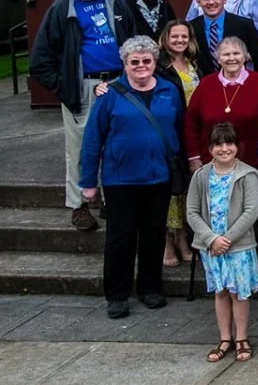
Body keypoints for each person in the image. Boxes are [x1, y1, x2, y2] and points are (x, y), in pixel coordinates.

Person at [79, 36, 183, 318]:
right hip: (120, 179)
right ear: (124, 64)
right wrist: (88, 182)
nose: (141, 66)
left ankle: (150, 288)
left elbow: (180, 130)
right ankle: (116, 295)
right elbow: (92, 140)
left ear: (154, 62)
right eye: (134, 61)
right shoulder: (109, 93)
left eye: (146, 60)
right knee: (120, 239)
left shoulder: (170, 90)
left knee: (153, 236)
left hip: (158, 177)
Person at [29, 0, 134, 232]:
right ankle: (80, 206)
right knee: (79, 149)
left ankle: (112, 200)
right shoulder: (63, 8)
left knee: (117, 146)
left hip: (118, 83)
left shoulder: (116, 3)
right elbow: (40, 59)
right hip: (82, 88)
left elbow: (133, 42)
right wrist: (64, 85)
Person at [187, 123, 258, 363]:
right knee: (220, 291)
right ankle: (225, 337)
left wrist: (227, 239)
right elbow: (192, 212)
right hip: (212, 247)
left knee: (239, 292)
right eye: (218, 144)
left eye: (229, 143)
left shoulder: (247, 174)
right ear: (210, 148)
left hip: (238, 245)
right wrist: (211, 239)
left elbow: (251, 211)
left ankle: (242, 337)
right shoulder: (201, 175)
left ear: (237, 146)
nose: (224, 148)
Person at [185, 38, 258, 170]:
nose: (232, 58)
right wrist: (194, 157)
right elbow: (191, 123)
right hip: (212, 164)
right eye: (226, 54)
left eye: (236, 53)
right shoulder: (206, 84)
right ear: (218, 59)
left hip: (253, 163)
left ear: (245, 57)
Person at [157, 21, 202, 266]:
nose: (179, 40)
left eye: (184, 36)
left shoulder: (195, 64)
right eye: (174, 36)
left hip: (191, 132)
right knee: (170, 190)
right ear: (166, 38)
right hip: (169, 131)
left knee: (185, 188)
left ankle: (183, 237)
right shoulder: (158, 66)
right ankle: (167, 242)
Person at [189, 0, 258, 84]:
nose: (211, 2)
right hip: (204, 89)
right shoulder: (191, 28)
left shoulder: (244, 25)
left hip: (238, 87)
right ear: (198, 2)